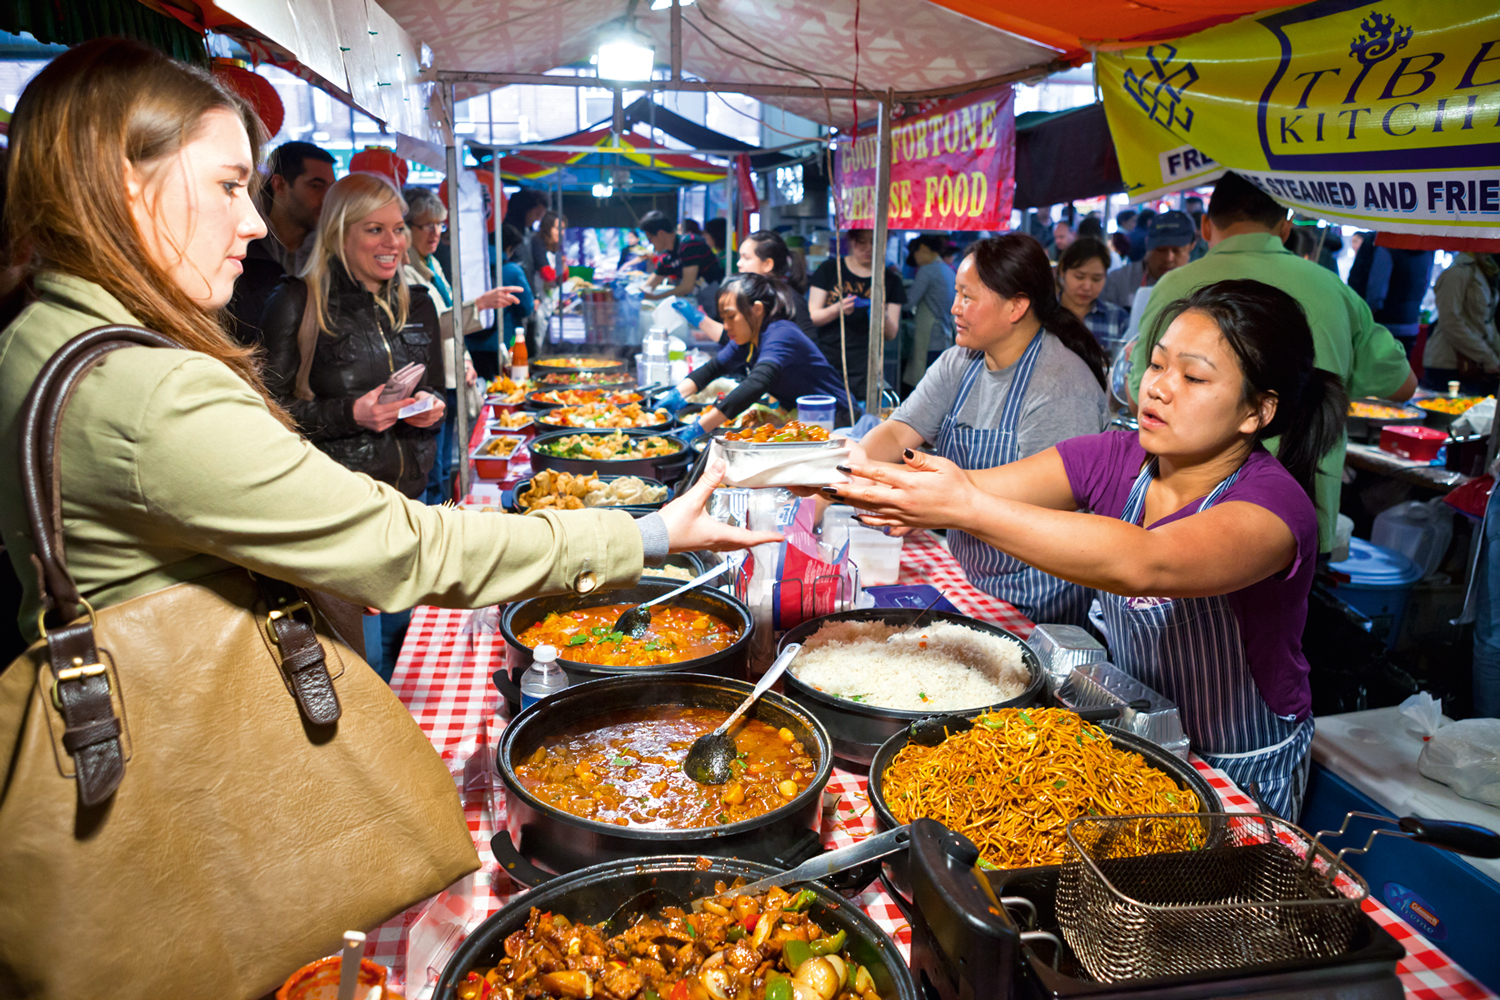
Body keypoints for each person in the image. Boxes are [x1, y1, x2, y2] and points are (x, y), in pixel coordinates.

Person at [0, 38, 774, 694]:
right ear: (124, 188)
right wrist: (641, 535)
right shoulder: (149, 387)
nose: (251, 219)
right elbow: (396, 548)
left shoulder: (40, 335)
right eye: (230, 185)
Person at [828, 280, 1344, 820]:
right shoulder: (1117, 456)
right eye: (1157, 365)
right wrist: (825, 474)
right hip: (1136, 735)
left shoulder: (1275, 509)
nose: (1160, 389)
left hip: (1235, 765)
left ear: (1256, 412)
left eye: (1192, 377)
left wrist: (963, 507)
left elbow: (1145, 561)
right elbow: (981, 488)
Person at [1128, 171, 1415, 554]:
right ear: (1285, 227)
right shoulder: (1334, 290)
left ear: (1205, 224)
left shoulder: (1173, 287)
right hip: (1304, 509)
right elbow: (1402, 385)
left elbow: (1137, 400)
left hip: (1186, 512)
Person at [838, 234, 1109, 627]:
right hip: (970, 575)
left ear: (1016, 306)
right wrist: (851, 472)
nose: (954, 308)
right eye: (957, 294)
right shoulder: (960, 361)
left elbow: (1043, 500)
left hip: (1036, 595)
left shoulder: (1061, 386)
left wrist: (927, 503)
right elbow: (899, 432)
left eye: (967, 296)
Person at [402, 187, 522, 504]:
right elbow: (429, 326)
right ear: (407, 227)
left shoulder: (433, 265)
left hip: (453, 375)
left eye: (439, 225)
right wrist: (479, 304)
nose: (434, 232)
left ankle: (443, 518)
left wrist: (466, 360)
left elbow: (451, 325)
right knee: (433, 466)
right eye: (425, 225)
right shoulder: (404, 270)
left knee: (444, 464)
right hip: (431, 381)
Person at [659, 272, 858, 436]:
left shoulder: (781, 333)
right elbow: (715, 367)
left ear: (757, 310)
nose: (726, 326)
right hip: (803, 419)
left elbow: (756, 384)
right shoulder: (749, 337)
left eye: (731, 317)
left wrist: (699, 427)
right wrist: (677, 394)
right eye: (723, 319)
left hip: (837, 421)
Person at [225, 140, 334, 346]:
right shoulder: (241, 248)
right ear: (279, 184)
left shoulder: (330, 252)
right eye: (316, 186)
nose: (327, 197)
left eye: (331, 188)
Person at [807, 228, 906, 404]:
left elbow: (891, 334)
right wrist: (837, 309)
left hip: (866, 367)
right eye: (862, 242)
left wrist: (881, 314)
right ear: (851, 242)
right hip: (828, 360)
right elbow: (812, 317)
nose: (868, 248)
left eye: (874, 242)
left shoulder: (891, 280)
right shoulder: (829, 269)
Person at [687, 229, 817, 342]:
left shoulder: (788, 299)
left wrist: (700, 319)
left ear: (767, 265)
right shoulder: (755, 295)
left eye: (746, 258)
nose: (739, 264)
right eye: (740, 257)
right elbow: (734, 341)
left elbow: (808, 347)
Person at [1422, 253, 1500, 395]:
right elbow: (1450, 322)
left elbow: (1487, 320)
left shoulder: (1484, 270)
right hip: (1449, 364)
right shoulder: (1457, 272)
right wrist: (1488, 357)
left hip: (1475, 364)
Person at [1346, 237, 1435, 358]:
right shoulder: (1427, 249)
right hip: (1411, 326)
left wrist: (1366, 321)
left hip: (1384, 327)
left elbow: (1376, 291)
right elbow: (1425, 284)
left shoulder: (1388, 246)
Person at [1100, 210, 1195, 323]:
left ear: (1192, 246)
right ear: (1147, 243)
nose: (1169, 258)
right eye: (1161, 250)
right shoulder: (1118, 281)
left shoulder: (1198, 287)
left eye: (1177, 251)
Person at [1057, 237, 1129, 358]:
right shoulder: (1044, 315)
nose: (1087, 286)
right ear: (1062, 271)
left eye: (1096, 279)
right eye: (1079, 277)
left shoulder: (1117, 318)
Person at [902, 234, 956, 392]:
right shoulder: (947, 270)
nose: (915, 258)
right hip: (944, 338)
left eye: (915, 253)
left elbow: (908, 303)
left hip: (929, 340)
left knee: (925, 389)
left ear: (924, 249)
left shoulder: (927, 271)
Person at [640, 210, 724, 302]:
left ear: (661, 234)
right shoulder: (667, 257)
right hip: (703, 301)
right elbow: (650, 285)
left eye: (650, 238)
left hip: (716, 300)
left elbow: (687, 287)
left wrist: (656, 298)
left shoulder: (690, 243)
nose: (650, 243)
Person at [496, 223, 536, 371]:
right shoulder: (512, 271)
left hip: (470, 345)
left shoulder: (477, 269)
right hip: (503, 343)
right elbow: (526, 307)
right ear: (509, 248)